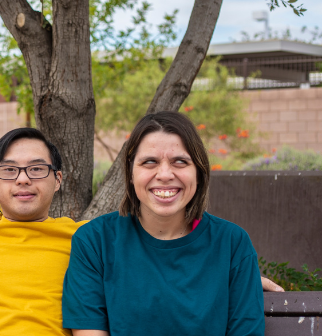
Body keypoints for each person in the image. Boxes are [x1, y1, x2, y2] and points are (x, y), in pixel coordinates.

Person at [62, 111, 265, 335]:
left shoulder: (232, 244)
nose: (165, 174)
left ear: (199, 171)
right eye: (150, 162)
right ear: (130, 173)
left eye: (180, 161)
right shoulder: (94, 242)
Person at [0, 128, 86, 336]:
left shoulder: (83, 238)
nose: (23, 179)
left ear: (58, 180)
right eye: (9, 170)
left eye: (36, 169)